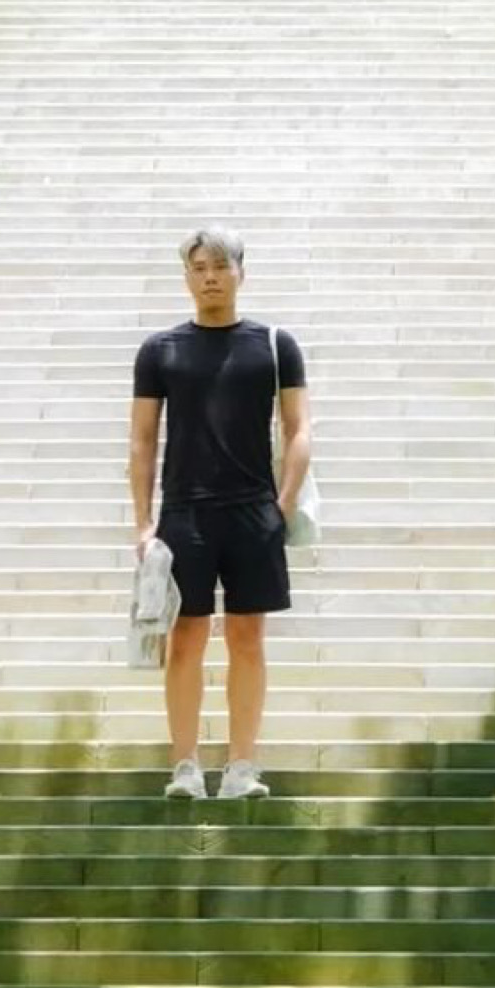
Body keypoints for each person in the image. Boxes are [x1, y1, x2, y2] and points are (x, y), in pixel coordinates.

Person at [128, 225, 310, 798]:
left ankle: (241, 768)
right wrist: (143, 521)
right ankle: (185, 766)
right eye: (199, 267)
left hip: (255, 512)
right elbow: (141, 439)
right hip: (184, 512)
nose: (210, 277)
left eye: (220, 266)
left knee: (247, 638)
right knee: (184, 639)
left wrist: (281, 505)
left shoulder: (275, 345)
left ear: (240, 273)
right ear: (187, 276)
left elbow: (300, 427)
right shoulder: (161, 350)